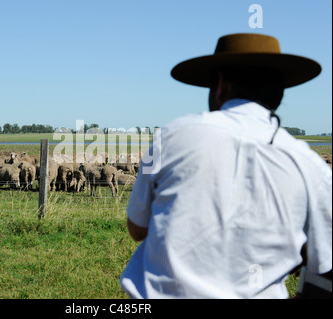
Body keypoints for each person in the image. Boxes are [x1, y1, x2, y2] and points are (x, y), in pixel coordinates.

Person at [120, 33, 332, 299]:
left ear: (220, 85)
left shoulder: (172, 137)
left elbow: (137, 228)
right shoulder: (311, 167)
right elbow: (324, 263)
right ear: (278, 95)